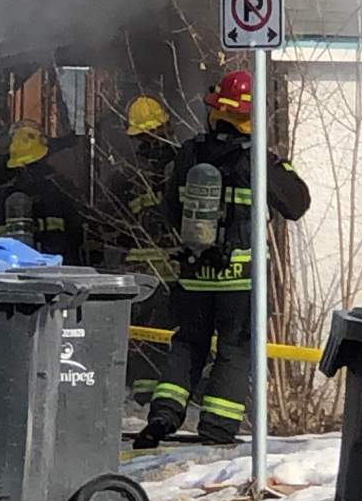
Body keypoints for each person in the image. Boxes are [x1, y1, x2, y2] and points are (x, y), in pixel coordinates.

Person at [133, 70, 310, 448]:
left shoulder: (189, 153)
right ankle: (217, 428)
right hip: (240, 279)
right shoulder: (256, 159)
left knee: (187, 344)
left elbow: (169, 211)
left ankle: (163, 415)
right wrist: (279, 164)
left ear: (216, 112)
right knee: (234, 348)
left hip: (195, 274)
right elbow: (296, 204)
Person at [114, 96, 180, 402]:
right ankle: (148, 394)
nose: (144, 144)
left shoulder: (136, 173)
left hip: (158, 270)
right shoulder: (175, 165)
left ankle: (150, 393)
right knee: (151, 334)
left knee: (153, 334)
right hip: (160, 270)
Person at [0, 125, 83, 261]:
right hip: (58, 267)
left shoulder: (4, 196)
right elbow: (77, 231)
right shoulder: (60, 188)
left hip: (12, 268)